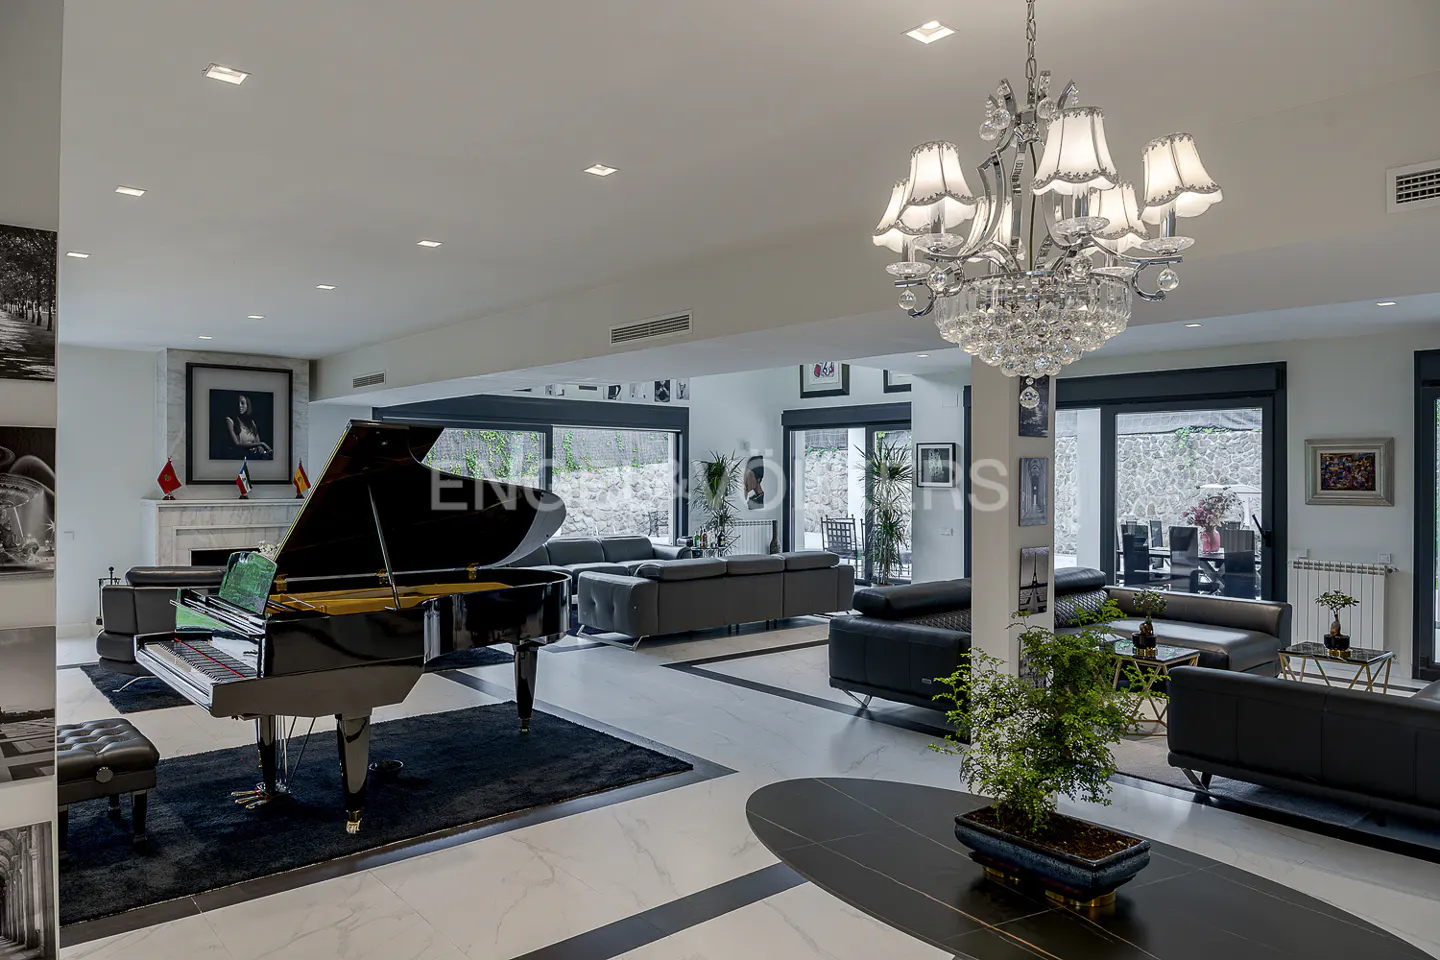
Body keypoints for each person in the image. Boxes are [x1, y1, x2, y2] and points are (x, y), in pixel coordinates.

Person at [226, 394, 273, 458]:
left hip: (254, 455)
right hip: (241, 456)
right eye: (237, 403)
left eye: (242, 403)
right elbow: (236, 445)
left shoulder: (251, 422)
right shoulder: (230, 420)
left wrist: (260, 448)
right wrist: (261, 444)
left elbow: (257, 441)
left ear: (247, 405)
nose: (239, 406)